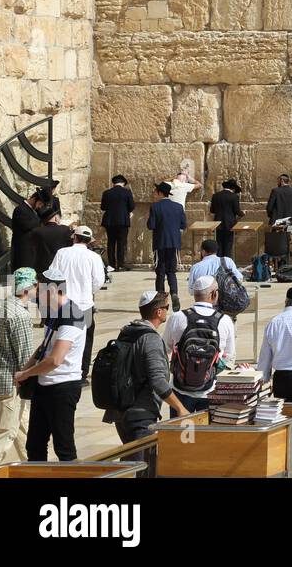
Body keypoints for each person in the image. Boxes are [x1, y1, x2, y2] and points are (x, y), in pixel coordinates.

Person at [15, 270, 85, 461]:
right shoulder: (54, 312)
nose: (36, 294)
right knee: (34, 445)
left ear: (52, 289)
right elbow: (44, 347)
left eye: (40, 289)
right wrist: (26, 372)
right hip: (44, 386)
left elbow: (55, 360)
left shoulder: (72, 315)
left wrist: (27, 372)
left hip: (62, 387)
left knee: (64, 448)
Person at [102, 290, 186, 442]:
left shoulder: (127, 331)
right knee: (145, 462)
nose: (168, 310)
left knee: (132, 459)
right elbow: (158, 381)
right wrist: (180, 408)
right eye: (167, 307)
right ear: (158, 312)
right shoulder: (150, 339)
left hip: (120, 411)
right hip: (140, 414)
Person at [164, 275, 236, 414]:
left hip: (180, 391)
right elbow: (230, 357)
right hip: (210, 390)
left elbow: (164, 349)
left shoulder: (177, 317)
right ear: (214, 294)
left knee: (181, 434)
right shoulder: (225, 320)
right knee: (207, 435)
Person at [0, 268, 36, 465]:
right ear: (28, 289)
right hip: (13, 380)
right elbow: (25, 355)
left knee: (22, 424)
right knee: (4, 430)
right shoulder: (20, 315)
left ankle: (34, 464)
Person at [47, 225, 105, 383]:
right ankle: (81, 374)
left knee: (61, 336)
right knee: (85, 340)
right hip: (84, 304)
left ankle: (60, 369)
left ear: (75, 237)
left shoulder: (61, 253)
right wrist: (87, 291)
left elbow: (52, 275)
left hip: (63, 304)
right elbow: (99, 281)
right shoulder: (94, 257)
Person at [147, 181, 187, 310]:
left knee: (160, 272)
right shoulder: (178, 207)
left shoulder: (155, 207)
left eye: (156, 192)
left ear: (160, 193)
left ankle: (161, 299)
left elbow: (151, 225)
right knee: (171, 271)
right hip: (174, 243)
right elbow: (183, 225)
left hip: (160, 243)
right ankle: (174, 293)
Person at [18, 204, 71, 277]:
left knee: (44, 288)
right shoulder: (65, 229)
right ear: (55, 218)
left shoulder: (36, 232)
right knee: (60, 288)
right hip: (60, 269)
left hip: (42, 269)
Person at [99, 175, 135, 271]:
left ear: (114, 183)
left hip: (109, 221)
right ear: (123, 183)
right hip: (123, 220)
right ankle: (121, 263)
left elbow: (103, 207)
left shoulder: (107, 193)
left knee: (111, 242)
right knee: (121, 242)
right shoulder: (127, 192)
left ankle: (111, 264)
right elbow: (131, 206)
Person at [208, 178, 244, 261]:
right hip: (230, 224)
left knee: (219, 245)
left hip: (218, 224)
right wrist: (243, 213)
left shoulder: (215, 196)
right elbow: (237, 211)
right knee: (228, 245)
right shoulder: (234, 197)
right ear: (233, 188)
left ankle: (218, 264)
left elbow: (212, 210)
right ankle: (226, 265)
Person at [9, 190, 43, 273]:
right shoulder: (20, 209)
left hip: (31, 252)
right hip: (23, 253)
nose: (40, 207)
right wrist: (41, 223)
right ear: (34, 199)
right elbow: (27, 225)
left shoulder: (33, 211)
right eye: (40, 204)